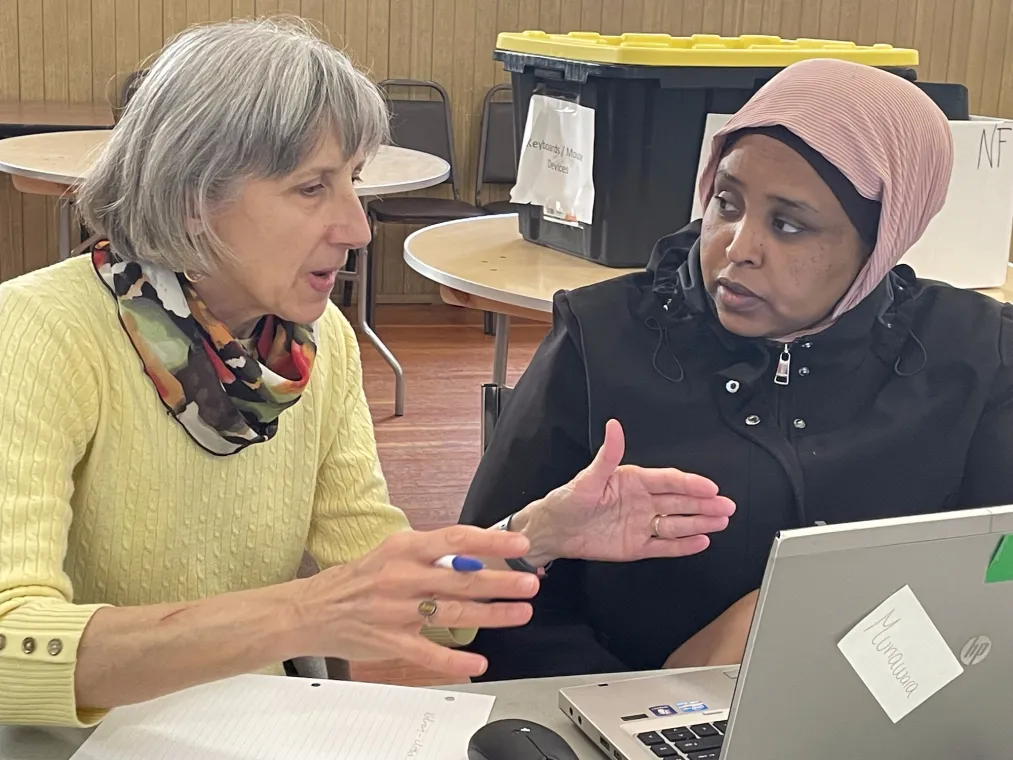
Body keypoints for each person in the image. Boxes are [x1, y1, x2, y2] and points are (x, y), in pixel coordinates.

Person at [0, 19, 737, 727]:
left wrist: (532, 536)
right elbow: (11, 651)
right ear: (194, 198)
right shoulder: (38, 333)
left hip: (252, 728)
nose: (357, 227)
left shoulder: (311, 346)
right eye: (311, 187)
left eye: (353, 179)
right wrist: (301, 613)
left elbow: (390, 588)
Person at [460, 58, 1013, 681]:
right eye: (726, 202)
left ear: (882, 242)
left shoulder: (974, 353)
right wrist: (653, 700)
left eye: (788, 225)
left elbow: (997, 584)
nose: (737, 247)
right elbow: (479, 587)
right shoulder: (602, 337)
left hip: (888, 715)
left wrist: (785, 626)